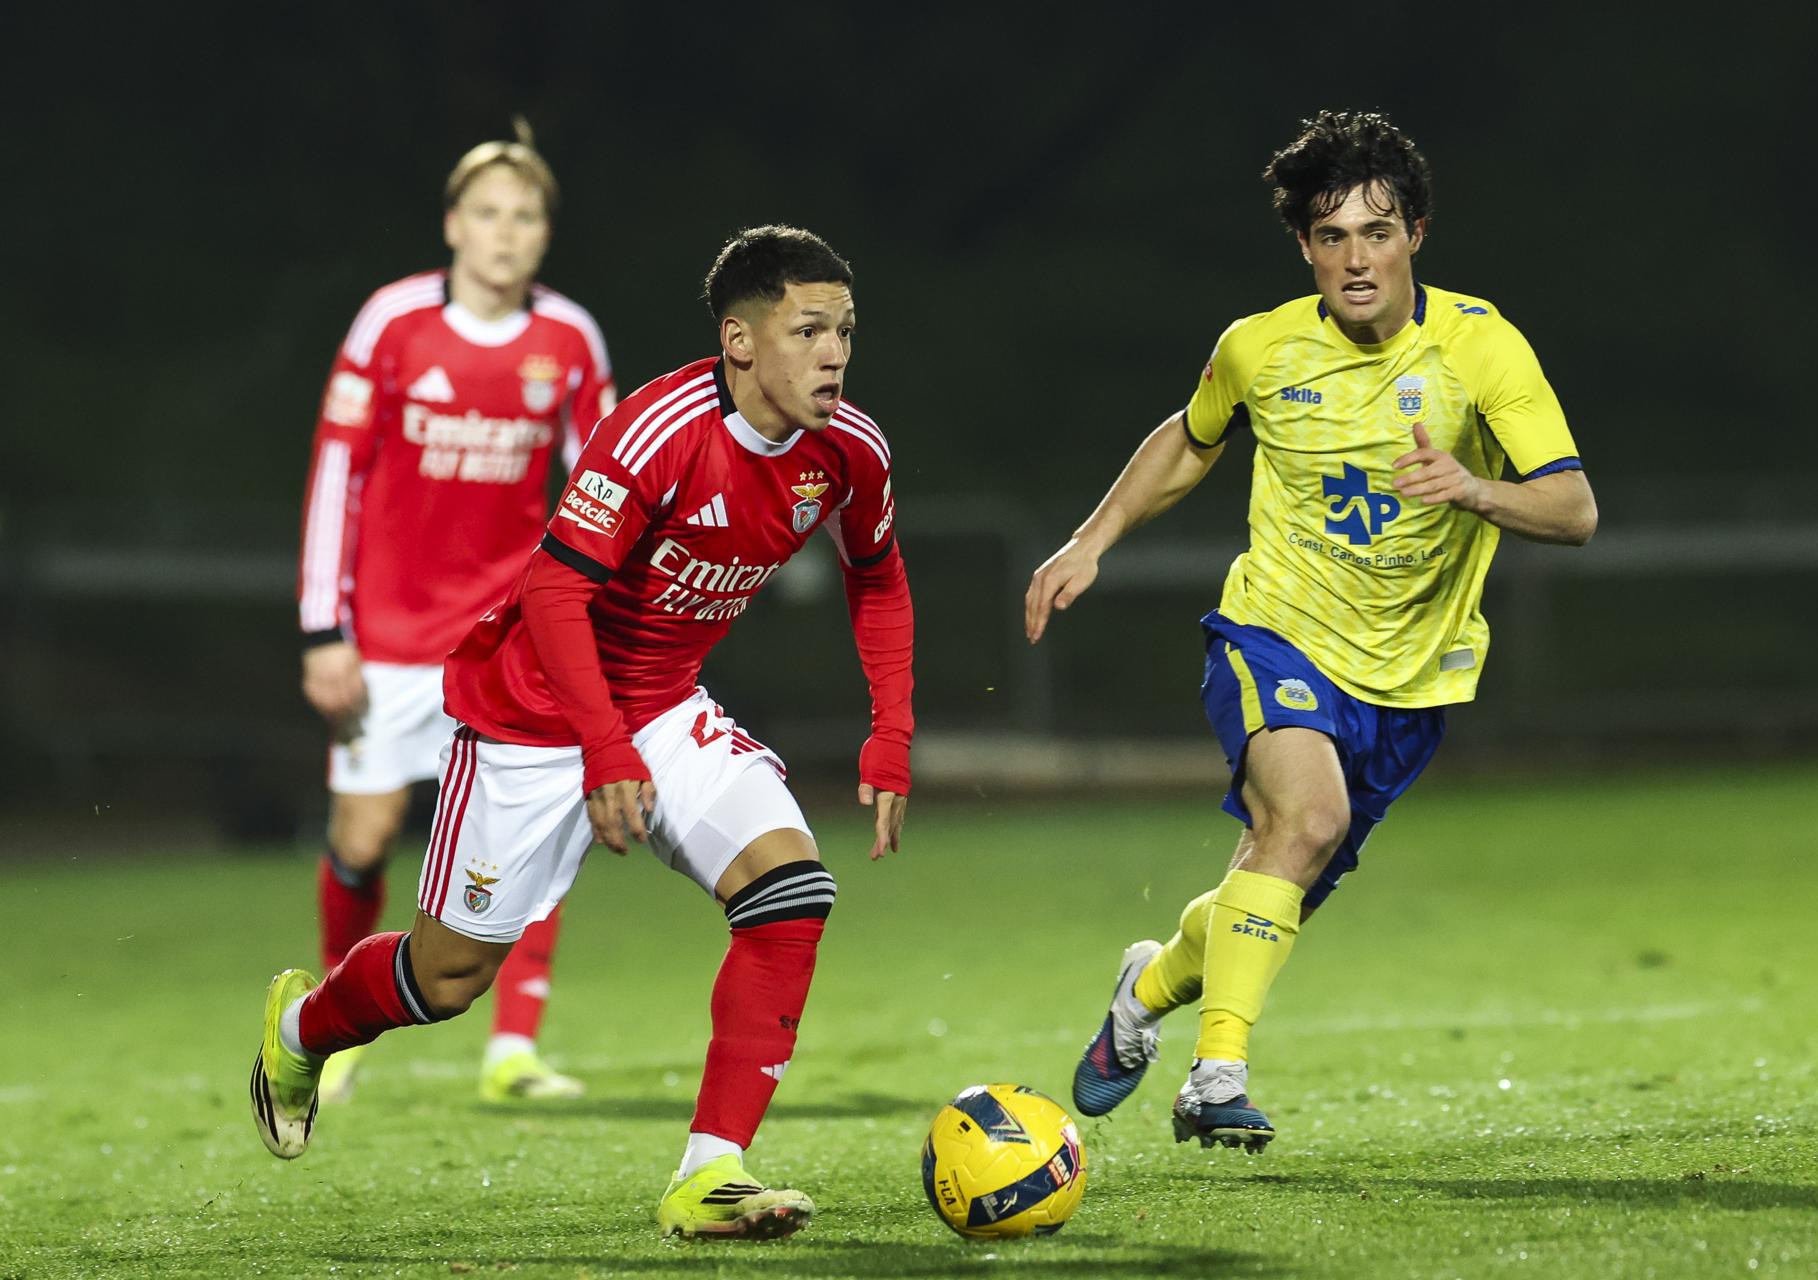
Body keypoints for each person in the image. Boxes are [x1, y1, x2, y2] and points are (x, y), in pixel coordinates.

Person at [256, 225, 914, 1241]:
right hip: (533, 714)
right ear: (739, 340)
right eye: (810, 329)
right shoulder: (657, 429)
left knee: (791, 891)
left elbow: (877, 573)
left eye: (847, 331)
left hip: (664, 705)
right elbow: (558, 589)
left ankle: (710, 1172)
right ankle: (303, 1027)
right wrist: (601, 751)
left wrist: (891, 732)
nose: (835, 352)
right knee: (447, 977)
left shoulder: (849, 449)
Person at [1026, 110, 1597, 1152]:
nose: (1355, 258)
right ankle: (1216, 1076)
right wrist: (1090, 538)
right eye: (1330, 236)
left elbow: (1574, 508)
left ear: (1416, 232)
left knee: (1281, 870)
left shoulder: (1480, 344)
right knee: (1304, 820)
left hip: (1410, 678)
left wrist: (1472, 487)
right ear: (1304, 246)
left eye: (1376, 231)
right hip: (1274, 633)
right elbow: (1191, 440)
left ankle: (1143, 989)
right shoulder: (1258, 347)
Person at [295, 119, 615, 1105]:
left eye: (524, 216)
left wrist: (599, 620)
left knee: (524, 833)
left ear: (544, 235)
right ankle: (343, 1026)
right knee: (365, 833)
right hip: (386, 637)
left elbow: (606, 482)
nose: (505, 233)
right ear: (452, 224)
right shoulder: (390, 323)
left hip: (506, 639)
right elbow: (337, 469)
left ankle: (512, 1046)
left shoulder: (568, 338)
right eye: (487, 213)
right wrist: (322, 626)